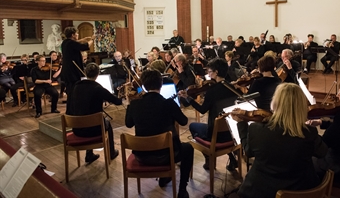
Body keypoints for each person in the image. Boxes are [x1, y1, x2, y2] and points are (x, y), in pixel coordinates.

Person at [233, 83, 327, 198]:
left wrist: (241, 124)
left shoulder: (256, 129)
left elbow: (248, 151)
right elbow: (322, 152)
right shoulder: (309, 132)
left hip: (262, 191)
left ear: (275, 103)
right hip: (300, 191)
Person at [125, 69, 193, 198]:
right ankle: (182, 190)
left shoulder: (135, 104)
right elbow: (183, 121)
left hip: (142, 155)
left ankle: (164, 177)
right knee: (188, 148)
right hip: (167, 155)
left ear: (144, 86)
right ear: (161, 84)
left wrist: (130, 104)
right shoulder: (168, 103)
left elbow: (128, 124)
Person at [179, 58, 240, 171]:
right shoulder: (232, 87)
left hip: (216, 136)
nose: (208, 74)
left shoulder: (212, 91)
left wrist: (188, 98)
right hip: (231, 133)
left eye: (209, 72)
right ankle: (232, 158)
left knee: (193, 126)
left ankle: (208, 158)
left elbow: (202, 110)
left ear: (216, 72)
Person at [68, 63, 120, 164]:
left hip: (77, 128)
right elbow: (117, 101)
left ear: (86, 73)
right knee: (107, 123)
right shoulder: (98, 88)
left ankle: (89, 155)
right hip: (94, 130)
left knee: (88, 117)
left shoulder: (75, 86)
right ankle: (112, 152)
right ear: (98, 74)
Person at [61, 26, 94, 114]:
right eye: (77, 33)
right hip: (72, 72)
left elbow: (75, 43)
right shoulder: (71, 44)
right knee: (73, 92)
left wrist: (83, 39)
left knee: (71, 92)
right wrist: (92, 39)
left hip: (67, 72)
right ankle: (73, 112)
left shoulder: (65, 42)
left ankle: (71, 111)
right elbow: (85, 46)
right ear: (73, 35)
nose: (78, 35)